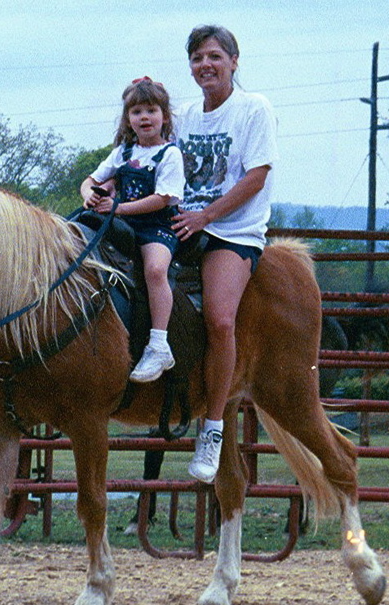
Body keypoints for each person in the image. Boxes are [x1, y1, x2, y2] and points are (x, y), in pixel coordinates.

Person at [171, 25, 279, 483]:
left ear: (234, 61)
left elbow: (255, 176)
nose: (205, 66)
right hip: (183, 223)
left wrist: (205, 217)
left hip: (232, 230)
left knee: (219, 318)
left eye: (215, 56)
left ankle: (213, 426)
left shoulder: (253, 109)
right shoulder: (184, 115)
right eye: (197, 58)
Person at [81, 77, 185, 383]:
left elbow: (163, 198)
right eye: (137, 111)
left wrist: (117, 208)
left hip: (157, 225)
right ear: (129, 118)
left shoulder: (170, 155)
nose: (144, 117)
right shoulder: (122, 153)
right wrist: (89, 193)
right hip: (121, 222)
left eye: (151, 110)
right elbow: (92, 180)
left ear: (164, 116)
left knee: (154, 270)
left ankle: (159, 344)